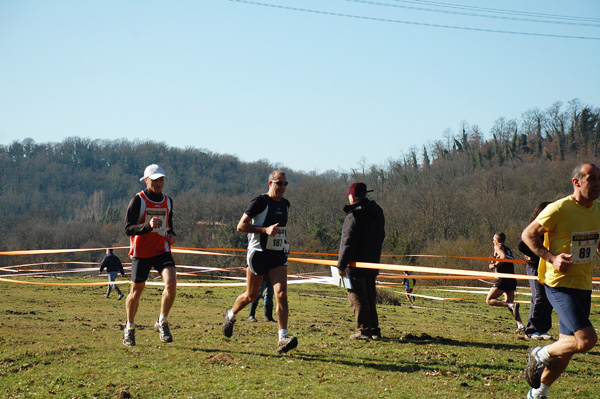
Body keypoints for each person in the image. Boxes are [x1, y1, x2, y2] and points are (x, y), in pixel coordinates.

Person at [522, 162, 600, 399]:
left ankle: (537, 394)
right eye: (592, 179)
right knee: (587, 340)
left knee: (567, 348)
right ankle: (540, 354)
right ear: (576, 182)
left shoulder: (598, 210)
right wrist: (552, 258)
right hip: (558, 284)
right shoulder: (559, 208)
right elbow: (528, 235)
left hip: (583, 284)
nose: (598, 184)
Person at [221, 170, 297, 353]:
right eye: (279, 183)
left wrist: (285, 243)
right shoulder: (260, 202)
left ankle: (282, 337)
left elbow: (281, 230)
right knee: (251, 295)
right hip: (258, 254)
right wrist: (264, 230)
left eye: (285, 184)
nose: (283, 187)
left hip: (277, 255)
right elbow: (241, 226)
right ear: (270, 183)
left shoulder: (286, 204)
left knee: (281, 295)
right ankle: (230, 315)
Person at [123, 164, 177, 346]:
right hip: (141, 252)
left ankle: (162, 321)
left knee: (171, 284)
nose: (159, 183)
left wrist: (171, 235)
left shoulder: (168, 200)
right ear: (146, 181)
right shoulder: (138, 200)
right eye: (155, 180)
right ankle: (129, 327)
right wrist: (147, 226)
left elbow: (169, 224)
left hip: (161, 250)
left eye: (161, 179)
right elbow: (128, 229)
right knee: (136, 292)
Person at [337, 182, 385, 340]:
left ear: (352, 197)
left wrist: (341, 265)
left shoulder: (354, 216)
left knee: (356, 297)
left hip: (355, 264)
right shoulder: (377, 213)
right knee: (370, 296)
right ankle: (374, 330)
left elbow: (348, 242)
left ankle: (363, 330)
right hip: (372, 262)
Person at [518, 202, 554, 340]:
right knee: (539, 297)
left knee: (549, 298)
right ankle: (531, 330)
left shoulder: (551, 228)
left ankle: (543, 329)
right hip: (535, 267)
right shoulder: (535, 227)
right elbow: (522, 245)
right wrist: (532, 256)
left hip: (549, 267)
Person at [485, 232, 524, 332]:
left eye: (493, 239)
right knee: (511, 305)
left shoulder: (499, 246)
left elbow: (503, 257)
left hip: (504, 279)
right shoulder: (507, 249)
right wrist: (494, 259)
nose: (492, 241)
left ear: (497, 240)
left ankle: (510, 305)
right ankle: (520, 325)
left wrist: (494, 265)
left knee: (489, 300)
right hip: (511, 279)